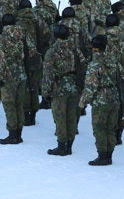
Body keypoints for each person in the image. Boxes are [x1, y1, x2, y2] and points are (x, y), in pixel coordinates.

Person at [42, 25, 88, 156]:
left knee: (60, 118)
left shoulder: (52, 52)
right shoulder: (75, 50)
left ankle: (62, 146)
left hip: (58, 88)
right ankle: (70, 144)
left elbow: (48, 74)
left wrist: (46, 92)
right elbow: (84, 66)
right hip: (74, 87)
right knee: (72, 116)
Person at [79, 35, 122, 166]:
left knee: (99, 128)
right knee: (111, 128)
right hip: (114, 98)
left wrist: (83, 103)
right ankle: (109, 154)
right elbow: (123, 78)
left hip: (100, 100)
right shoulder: (114, 62)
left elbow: (91, 86)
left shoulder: (94, 64)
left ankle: (102, 155)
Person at [0, 14, 38, 144]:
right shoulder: (22, 36)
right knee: (19, 104)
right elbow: (33, 51)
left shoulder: (1, 39)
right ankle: (19, 132)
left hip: (7, 76)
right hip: (21, 74)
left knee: (9, 105)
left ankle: (12, 133)